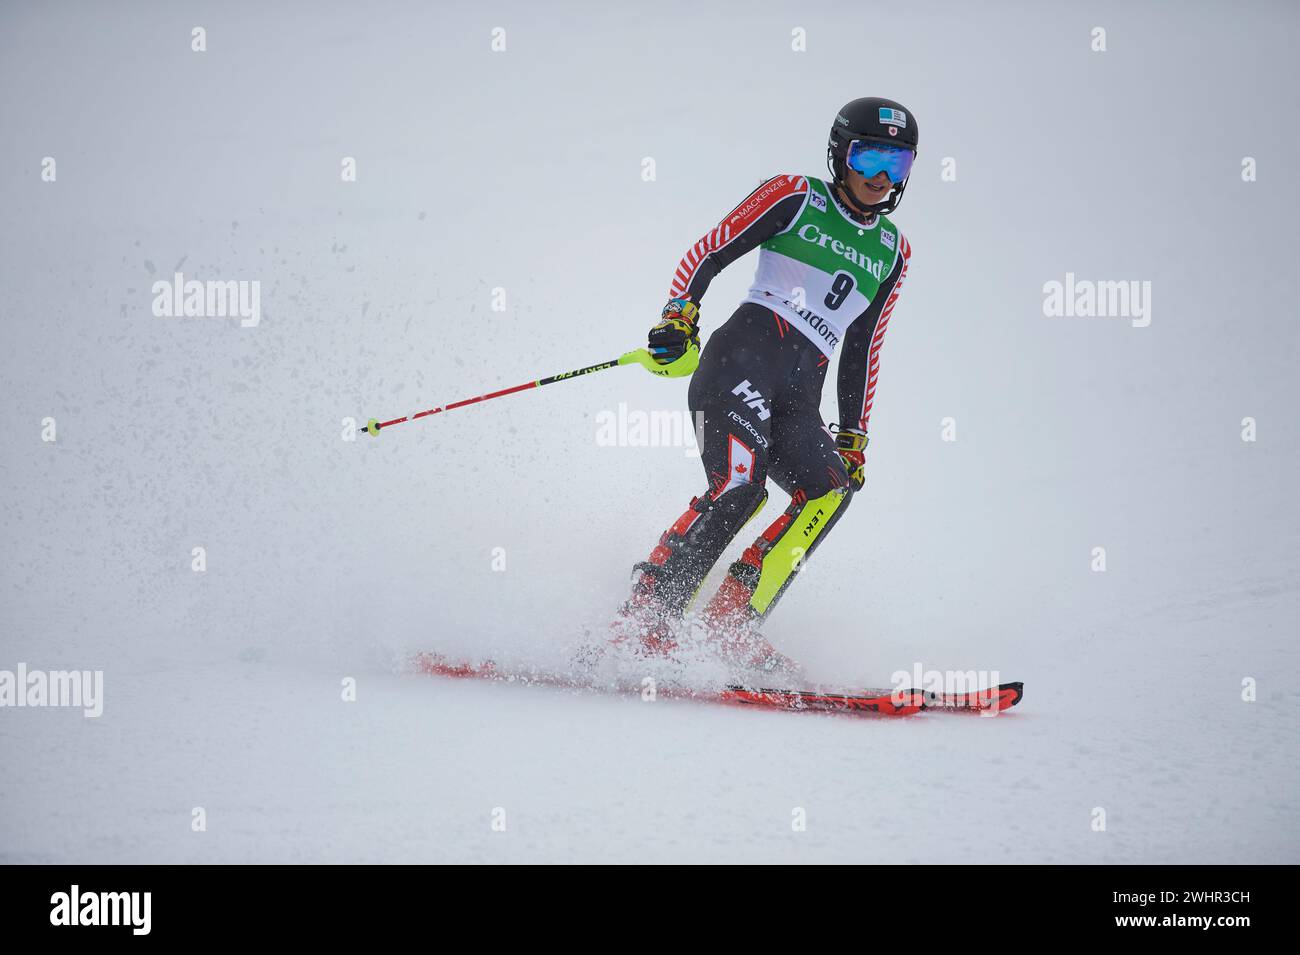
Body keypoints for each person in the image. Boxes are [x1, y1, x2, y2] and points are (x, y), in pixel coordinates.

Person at [614, 97, 918, 673]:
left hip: (802, 397)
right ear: (839, 154)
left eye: (896, 166)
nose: (879, 179)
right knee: (741, 485)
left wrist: (854, 436)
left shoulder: (894, 251)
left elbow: (864, 345)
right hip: (741, 365)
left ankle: (731, 622)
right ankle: (646, 622)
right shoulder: (796, 195)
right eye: (868, 158)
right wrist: (680, 316)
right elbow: (711, 249)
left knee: (830, 493)